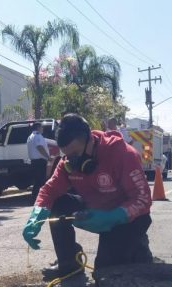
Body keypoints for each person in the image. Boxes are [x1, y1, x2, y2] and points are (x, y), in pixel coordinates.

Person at [23, 113, 153, 276]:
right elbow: (49, 190)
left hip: (126, 218)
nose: (72, 161)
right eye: (67, 155)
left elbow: (143, 199)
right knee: (58, 203)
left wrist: (113, 216)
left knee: (105, 274)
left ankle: (138, 248)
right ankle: (70, 263)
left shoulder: (122, 153)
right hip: (95, 208)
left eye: (76, 154)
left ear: (90, 140)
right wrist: (36, 215)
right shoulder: (67, 163)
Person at [27, 122, 50, 200]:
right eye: (41, 127)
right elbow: (40, 147)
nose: (42, 129)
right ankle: (38, 199)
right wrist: (48, 157)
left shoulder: (30, 137)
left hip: (34, 162)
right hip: (40, 162)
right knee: (41, 181)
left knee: (37, 181)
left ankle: (34, 198)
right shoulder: (38, 136)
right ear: (38, 128)